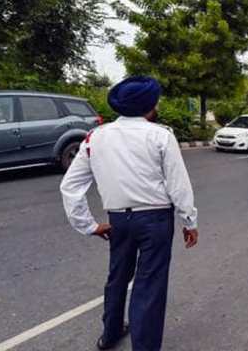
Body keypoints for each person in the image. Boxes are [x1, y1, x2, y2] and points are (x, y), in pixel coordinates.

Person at [60, 76, 198, 351]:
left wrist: (88, 225)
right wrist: (189, 220)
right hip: (156, 219)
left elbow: (70, 186)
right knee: (149, 285)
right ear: (149, 105)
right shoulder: (161, 135)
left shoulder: (95, 137)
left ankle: (110, 333)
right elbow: (178, 184)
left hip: (119, 220)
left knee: (118, 276)